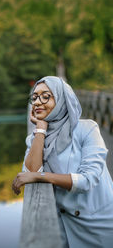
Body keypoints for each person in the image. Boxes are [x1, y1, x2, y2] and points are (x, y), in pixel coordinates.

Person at [12, 76, 113, 248]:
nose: (37, 102)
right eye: (35, 97)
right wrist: (40, 130)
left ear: (61, 100)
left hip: (98, 226)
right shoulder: (35, 138)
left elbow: (87, 180)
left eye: (46, 96)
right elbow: (30, 171)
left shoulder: (87, 129)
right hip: (63, 228)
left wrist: (42, 176)